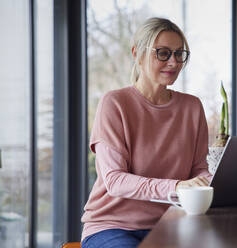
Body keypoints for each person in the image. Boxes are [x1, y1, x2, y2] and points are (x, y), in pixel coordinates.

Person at [81, 17, 212, 248]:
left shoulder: (192, 107)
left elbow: (198, 169)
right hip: (113, 226)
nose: (173, 62)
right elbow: (115, 180)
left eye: (179, 54)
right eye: (162, 53)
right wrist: (176, 186)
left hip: (173, 224)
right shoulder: (115, 103)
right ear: (137, 54)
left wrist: (223, 184)